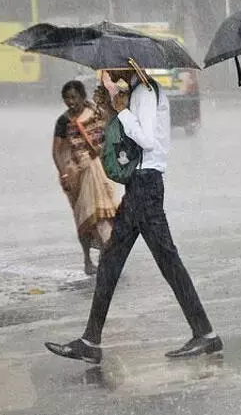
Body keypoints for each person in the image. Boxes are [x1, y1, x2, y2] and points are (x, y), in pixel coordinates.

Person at [45, 68, 221, 364]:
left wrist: (122, 110)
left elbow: (148, 140)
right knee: (113, 260)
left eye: (112, 68)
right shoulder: (136, 92)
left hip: (146, 185)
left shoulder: (147, 93)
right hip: (138, 187)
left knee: (166, 261)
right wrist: (114, 108)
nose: (109, 73)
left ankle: (205, 334)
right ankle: (91, 340)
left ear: (128, 64)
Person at [52, 80, 119, 274]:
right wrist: (63, 172)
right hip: (75, 175)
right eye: (67, 98)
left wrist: (106, 100)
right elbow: (57, 151)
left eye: (74, 97)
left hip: (98, 169)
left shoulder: (96, 112)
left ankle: (106, 254)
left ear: (82, 97)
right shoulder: (63, 121)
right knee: (83, 217)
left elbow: (111, 127)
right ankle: (88, 260)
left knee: (102, 213)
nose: (70, 102)